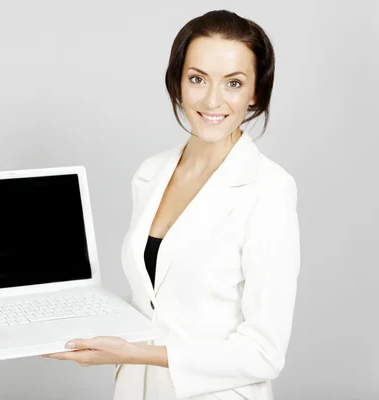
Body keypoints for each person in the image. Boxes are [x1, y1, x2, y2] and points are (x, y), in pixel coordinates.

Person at [42, 9, 300, 400]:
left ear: (255, 93)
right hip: (136, 389)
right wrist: (67, 313)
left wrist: (137, 353)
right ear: (177, 83)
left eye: (233, 83)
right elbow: (153, 296)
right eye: (198, 79)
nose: (213, 100)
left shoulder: (269, 189)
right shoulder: (152, 172)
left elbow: (265, 353)